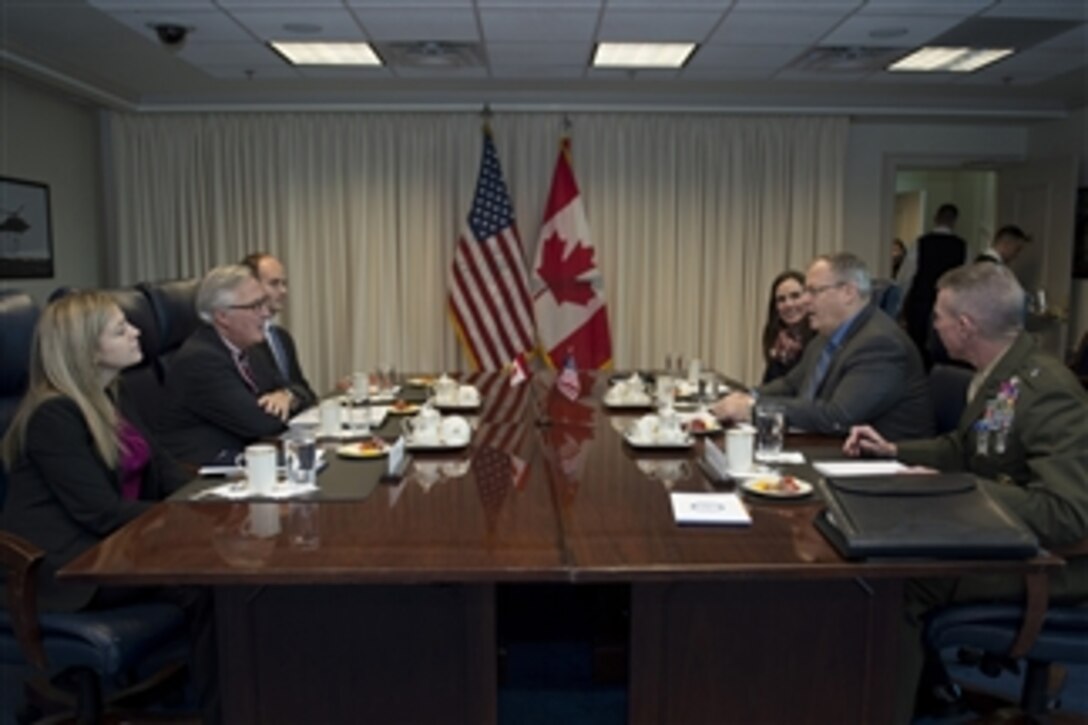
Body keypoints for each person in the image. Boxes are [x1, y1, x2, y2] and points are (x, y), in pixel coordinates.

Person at [843, 263, 1088, 723]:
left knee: (896, 586)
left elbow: (1067, 514)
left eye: (937, 316)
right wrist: (893, 448)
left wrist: (954, 489)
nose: (931, 325)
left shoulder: (1046, 390)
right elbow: (965, 447)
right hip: (1001, 539)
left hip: (1052, 564)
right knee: (877, 564)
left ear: (965, 326)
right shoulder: (1000, 373)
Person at [0, 291, 220, 723]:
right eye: (120, 329)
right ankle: (219, 711)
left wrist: (219, 497)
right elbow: (99, 512)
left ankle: (219, 697)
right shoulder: (54, 415)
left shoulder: (113, 394)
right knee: (209, 587)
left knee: (221, 575)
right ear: (86, 349)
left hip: (116, 543)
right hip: (65, 566)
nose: (137, 332)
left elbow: (165, 468)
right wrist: (189, 518)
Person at [713, 253, 933, 441]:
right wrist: (745, 396)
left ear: (848, 292)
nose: (805, 301)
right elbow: (790, 385)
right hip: (828, 447)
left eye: (813, 291)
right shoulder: (826, 336)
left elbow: (837, 416)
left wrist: (753, 408)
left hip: (883, 469)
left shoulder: (880, 343)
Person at [158, 264, 294, 465]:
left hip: (249, 459)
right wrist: (288, 400)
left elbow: (297, 390)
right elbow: (261, 423)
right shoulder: (199, 360)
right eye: (255, 306)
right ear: (222, 317)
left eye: (264, 303)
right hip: (207, 474)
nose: (266, 313)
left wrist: (287, 396)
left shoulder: (251, 349)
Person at [240, 252, 317, 409]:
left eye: (284, 283)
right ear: (251, 286)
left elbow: (306, 392)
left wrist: (289, 395)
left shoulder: (282, 337)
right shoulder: (242, 338)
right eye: (274, 284)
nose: (283, 291)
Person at [897, 203, 967, 369]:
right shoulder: (962, 246)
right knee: (944, 349)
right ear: (954, 221)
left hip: (921, 303)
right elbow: (966, 281)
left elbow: (906, 277)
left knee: (917, 349)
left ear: (935, 218)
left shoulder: (921, 243)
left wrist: (900, 307)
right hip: (951, 307)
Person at [761, 270, 815, 383]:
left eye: (795, 296)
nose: (789, 304)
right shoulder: (778, 342)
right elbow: (769, 385)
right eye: (781, 299)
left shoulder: (820, 339)